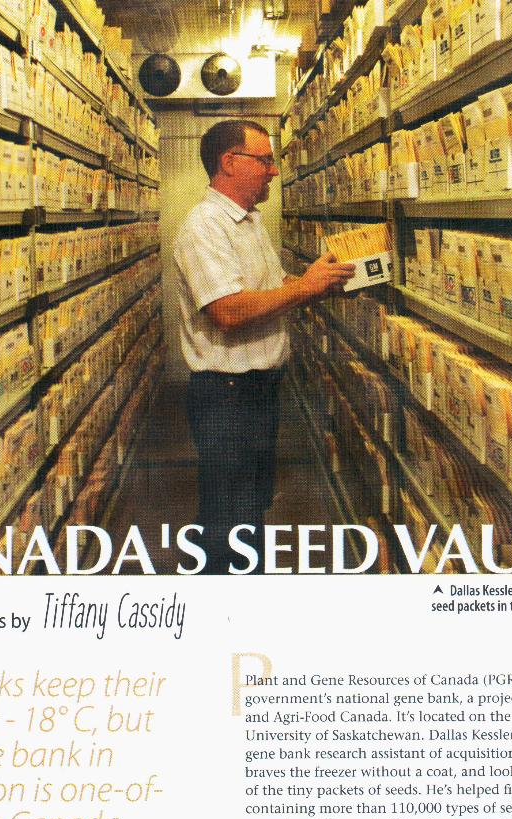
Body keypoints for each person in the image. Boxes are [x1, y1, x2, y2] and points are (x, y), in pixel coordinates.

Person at [174, 118, 355, 574]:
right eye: (266, 160)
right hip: (226, 394)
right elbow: (229, 312)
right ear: (230, 163)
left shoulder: (247, 221)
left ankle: (242, 593)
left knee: (249, 504)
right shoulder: (204, 227)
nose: (274, 172)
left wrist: (316, 283)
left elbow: (267, 288)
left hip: (257, 389)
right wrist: (305, 288)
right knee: (227, 515)